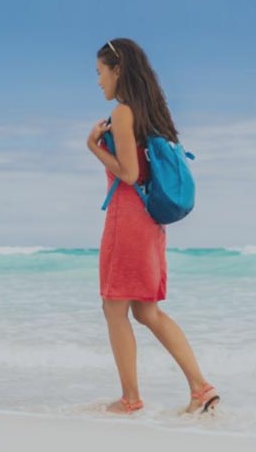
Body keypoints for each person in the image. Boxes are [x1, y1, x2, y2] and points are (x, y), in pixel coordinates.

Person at [86, 38, 219, 416]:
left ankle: (130, 399)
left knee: (114, 309)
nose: (98, 81)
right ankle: (201, 388)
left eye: (100, 72)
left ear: (118, 70)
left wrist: (94, 147)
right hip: (151, 224)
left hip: (127, 220)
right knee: (147, 312)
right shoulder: (152, 114)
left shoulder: (123, 113)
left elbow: (129, 174)